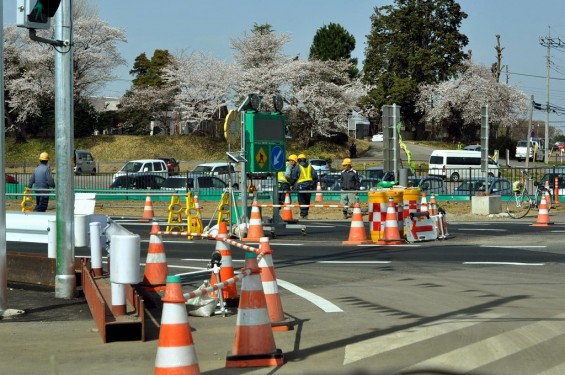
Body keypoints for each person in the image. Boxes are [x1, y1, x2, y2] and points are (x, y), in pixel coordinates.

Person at [291, 153, 318, 220]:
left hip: (301, 186)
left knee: (302, 201)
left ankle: (303, 215)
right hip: (309, 186)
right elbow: (315, 176)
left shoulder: (298, 167)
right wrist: (312, 183)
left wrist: (291, 184)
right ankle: (305, 214)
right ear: (305, 160)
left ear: (299, 160)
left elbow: (294, 177)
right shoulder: (310, 166)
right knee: (307, 200)